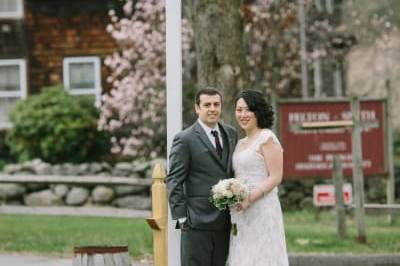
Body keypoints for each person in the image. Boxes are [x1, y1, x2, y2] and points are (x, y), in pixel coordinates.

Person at [167, 87, 238, 266]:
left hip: (224, 220)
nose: (212, 109)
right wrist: (182, 219)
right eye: (207, 105)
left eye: (216, 104)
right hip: (196, 221)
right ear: (197, 108)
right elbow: (174, 180)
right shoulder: (184, 139)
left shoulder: (231, 133)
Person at [226, 90, 289, 266]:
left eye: (248, 110)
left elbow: (276, 176)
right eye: (239, 110)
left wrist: (250, 197)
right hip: (241, 212)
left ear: (258, 111)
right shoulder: (239, 143)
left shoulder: (267, 138)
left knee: (263, 255)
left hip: (262, 207)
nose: (243, 115)